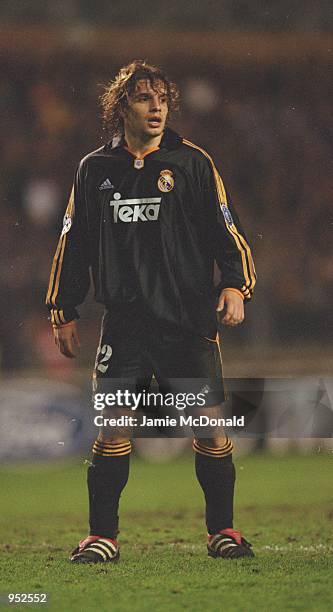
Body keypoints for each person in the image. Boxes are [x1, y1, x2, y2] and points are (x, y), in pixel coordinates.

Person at [46, 60, 257, 563]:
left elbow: (223, 229)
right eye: (143, 97)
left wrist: (235, 285)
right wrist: (63, 306)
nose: (157, 106)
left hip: (187, 319)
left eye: (162, 97)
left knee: (207, 423)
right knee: (113, 424)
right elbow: (73, 241)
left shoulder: (192, 163)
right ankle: (102, 536)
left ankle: (223, 531)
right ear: (121, 107)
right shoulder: (94, 169)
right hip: (126, 321)